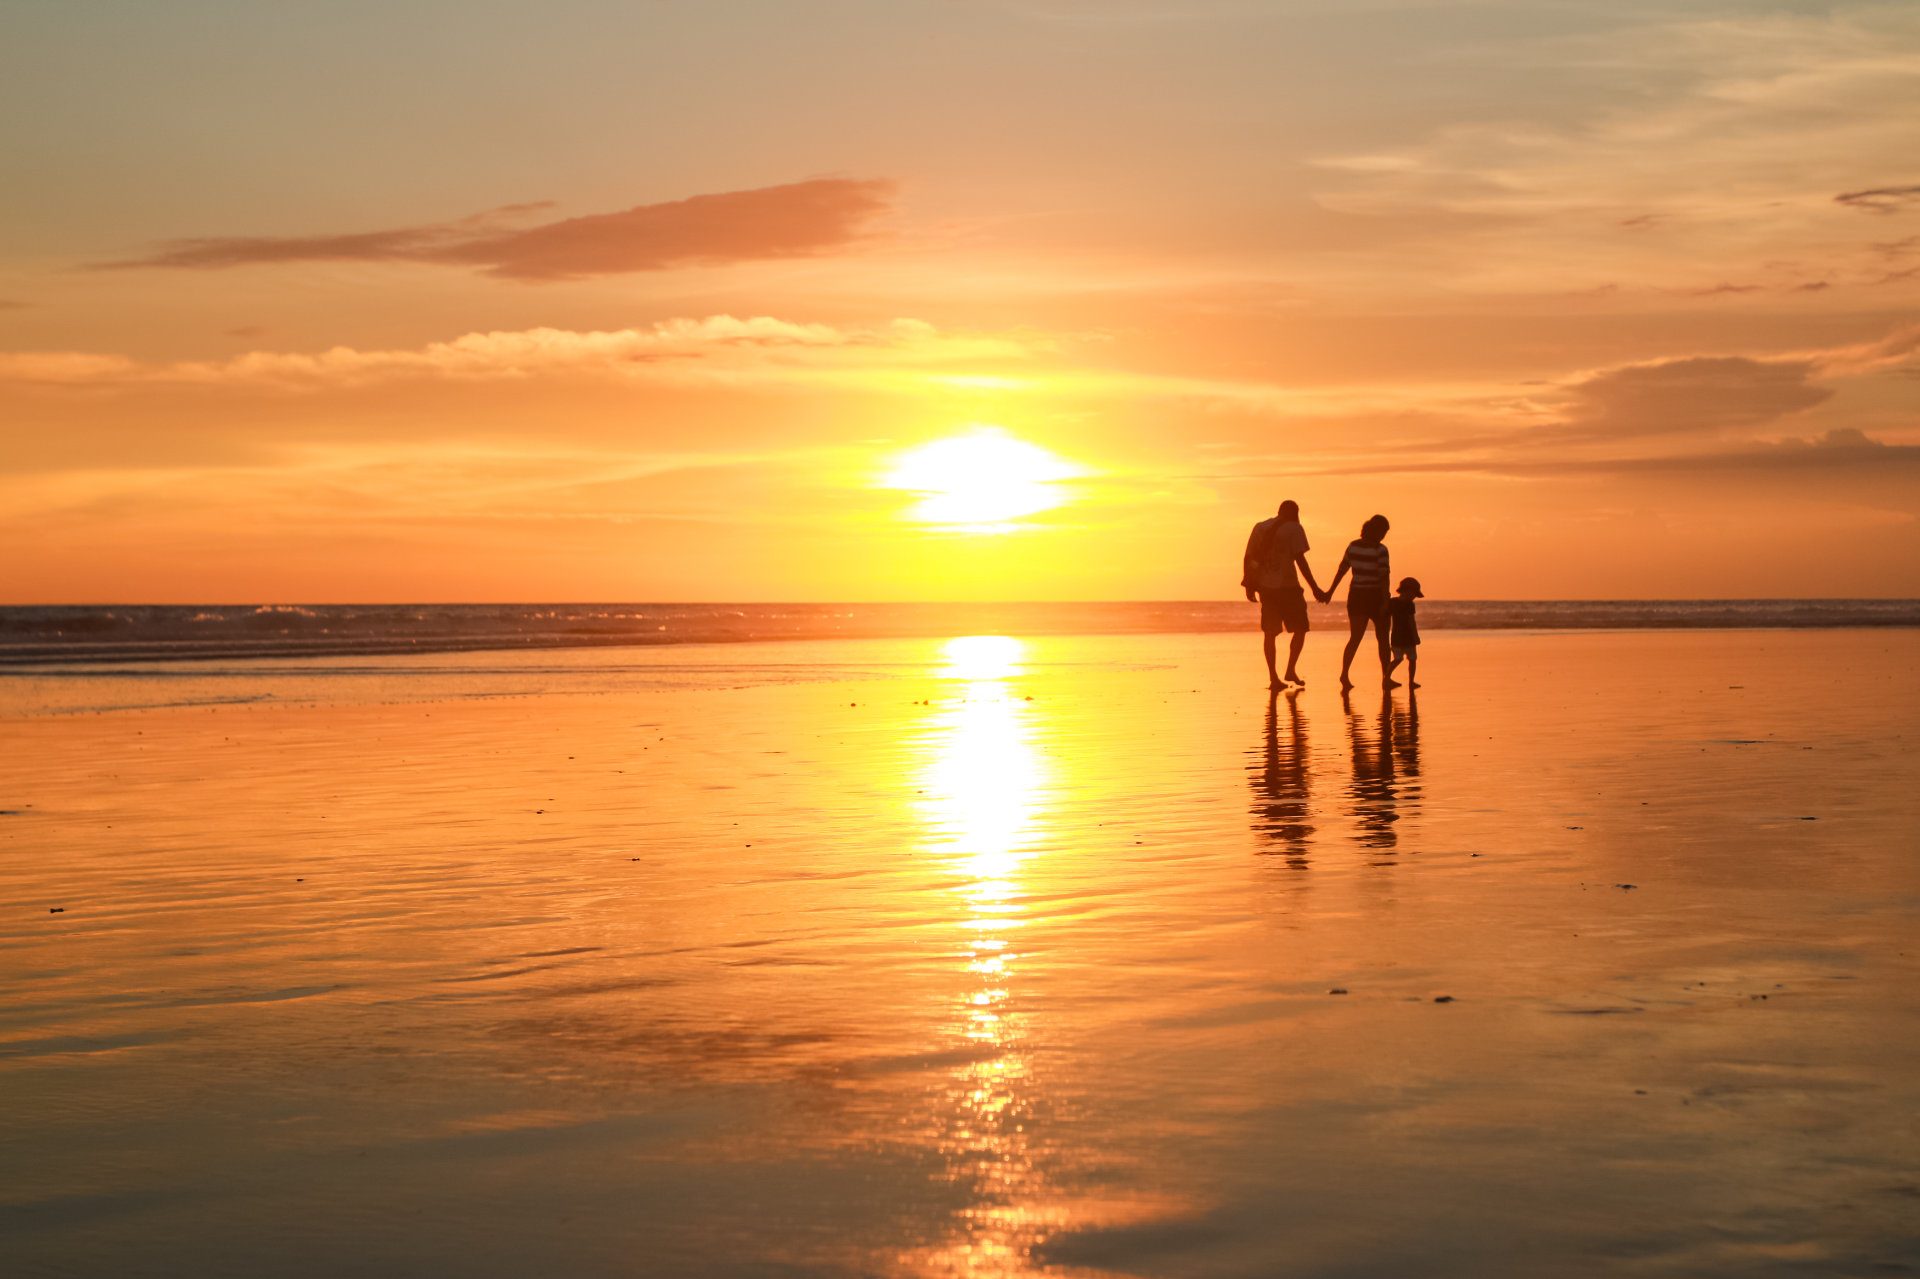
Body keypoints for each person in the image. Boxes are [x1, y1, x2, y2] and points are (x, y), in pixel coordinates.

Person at [1241, 499, 1328, 691]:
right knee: (1301, 628)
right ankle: (1290, 669)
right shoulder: (1294, 528)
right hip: (1288, 586)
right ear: (1295, 512)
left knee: (1269, 633)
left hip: (1266, 588)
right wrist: (1314, 587)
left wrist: (1249, 584)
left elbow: (1248, 557)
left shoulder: (1260, 527)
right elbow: (1300, 560)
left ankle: (1273, 677)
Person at [1325, 514, 1394, 691]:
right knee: (1383, 640)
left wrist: (1330, 591)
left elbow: (1342, 569)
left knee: (1355, 638)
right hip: (1374, 596)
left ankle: (1345, 674)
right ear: (1377, 530)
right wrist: (1385, 602)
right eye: (1383, 531)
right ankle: (1386, 678)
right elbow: (1384, 576)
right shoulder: (1381, 550)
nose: (1384, 535)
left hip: (1356, 595)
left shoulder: (1353, 546)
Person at [1386, 577, 1422, 689]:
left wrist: (1415, 635)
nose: (1414, 597)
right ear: (1406, 591)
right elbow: (1411, 621)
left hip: (1402, 636)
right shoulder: (1401, 603)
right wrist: (1415, 636)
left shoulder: (1395, 602)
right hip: (1403, 636)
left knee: (1409, 659)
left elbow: (1411, 621)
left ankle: (1410, 681)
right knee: (1402, 658)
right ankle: (1387, 678)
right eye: (1414, 594)